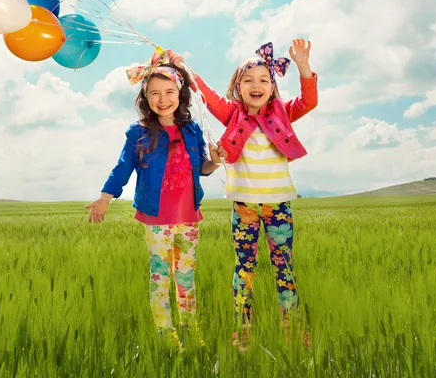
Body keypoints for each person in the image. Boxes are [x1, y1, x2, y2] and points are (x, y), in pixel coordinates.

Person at [169, 39, 317, 349]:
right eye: (247, 80)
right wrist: (184, 67)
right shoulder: (233, 114)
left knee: (284, 267)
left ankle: (293, 328)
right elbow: (206, 96)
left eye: (264, 79)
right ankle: (243, 329)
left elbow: (308, 101)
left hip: (278, 206)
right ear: (238, 87)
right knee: (244, 269)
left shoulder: (283, 113)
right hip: (245, 207)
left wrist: (303, 64)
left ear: (273, 88)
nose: (256, 84)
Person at [86, 46, 226, 348]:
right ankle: (165, 334)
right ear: (145, 99)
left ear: (180, 94)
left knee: (186, 279)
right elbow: (123, 166)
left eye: (169, 92)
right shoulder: (138, 133)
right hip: (156, 219)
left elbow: (202, 168)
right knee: (160, 279)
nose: (163, 99)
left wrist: (215, 161)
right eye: (154, 94)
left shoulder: (192, 130)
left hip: (189, 217)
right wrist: (105, 197)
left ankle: (191, 330)